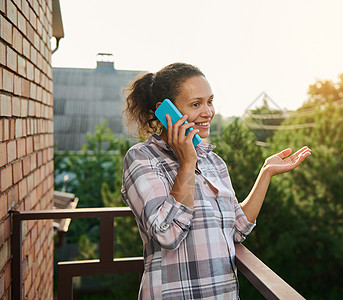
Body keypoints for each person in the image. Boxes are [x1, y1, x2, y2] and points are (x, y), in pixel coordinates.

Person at [121, 62, 311, 299]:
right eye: (195, 104)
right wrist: (187, 163)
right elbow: (167, 234)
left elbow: (237, 229)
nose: (208, 112)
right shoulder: (141, 158)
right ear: (165, 111)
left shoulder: (214, 162)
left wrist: (265, 173)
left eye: (209, 101)